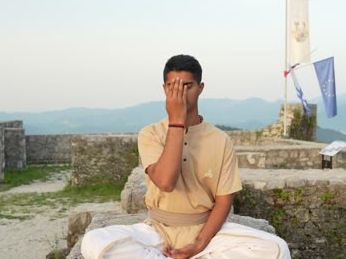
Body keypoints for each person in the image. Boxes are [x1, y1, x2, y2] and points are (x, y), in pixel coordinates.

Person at [81, 54, 291, 259]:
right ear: (164, 89)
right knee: (93, 242)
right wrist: (176, 121)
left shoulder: (220, 139)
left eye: (187, 86)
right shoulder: (151, 134)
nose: (180, 94)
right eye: (173, 87)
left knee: (278, 248)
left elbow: (224, 200)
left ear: (200, 88)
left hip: (206, 233)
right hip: (157, 232)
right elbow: (165, 182)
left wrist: (198, 244)